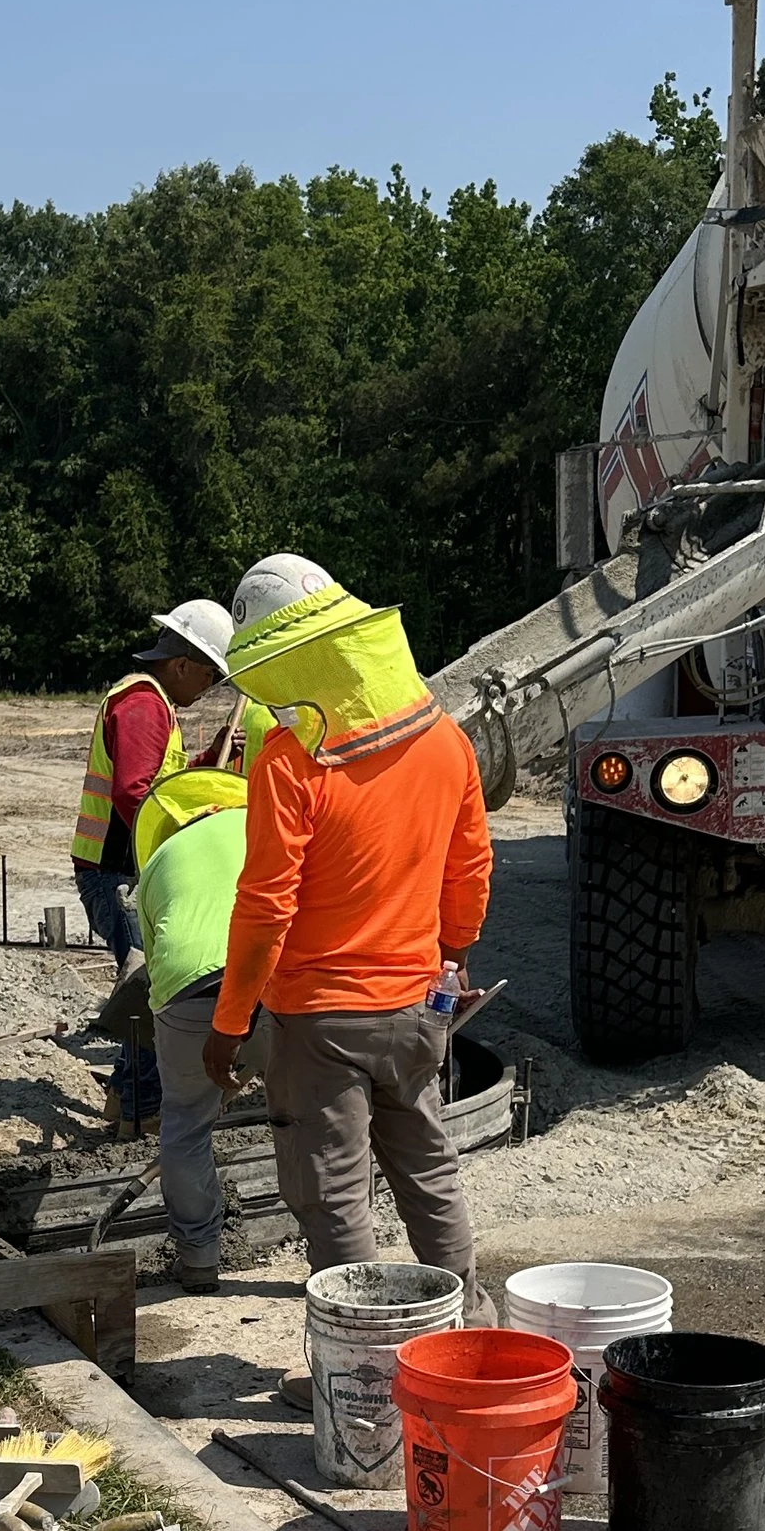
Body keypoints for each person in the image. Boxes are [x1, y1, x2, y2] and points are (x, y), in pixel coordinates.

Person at [200, 555, 492, 1398]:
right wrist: (452, 953)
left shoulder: (294, 760)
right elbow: (470, 867)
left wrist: (230, 1024)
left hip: (317, 1021)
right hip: (415, 1009)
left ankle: (362, 1377)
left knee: (332, 1198)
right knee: (428, 1168)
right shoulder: (445, 740)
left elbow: (264, 908)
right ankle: (463, 1342)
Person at [70, 600, 231, 1132]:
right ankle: (141, 1118)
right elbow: (136, 792)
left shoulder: (154, 706)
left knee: (147, 993)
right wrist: (185, 832)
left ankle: (123, 1103)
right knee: (152, 997)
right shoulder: (144, 705)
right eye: (208, 674)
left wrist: (208, 764)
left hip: (118, 872)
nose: (209, 688)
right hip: (116, 874)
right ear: (181, 663)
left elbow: (164, 781)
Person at [132, 760, 255, 1292]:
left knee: (184, 1125)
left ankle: (200, 1262)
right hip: (271, 976)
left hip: (186, 991)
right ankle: (331, 1252)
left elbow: (155, 967)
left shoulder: (157, 864)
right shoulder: (261, 827)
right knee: (305, 1110)